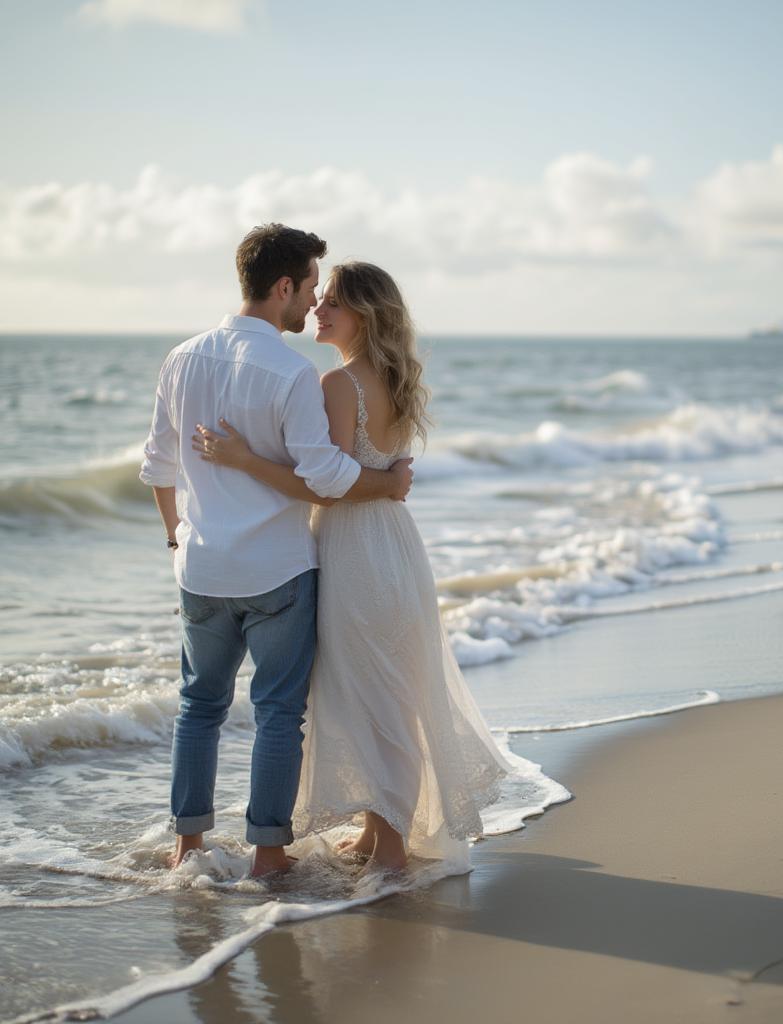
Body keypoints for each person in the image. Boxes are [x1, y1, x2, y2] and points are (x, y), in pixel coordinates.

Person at [192, 260, 509, 873]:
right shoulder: (394, 378)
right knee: (384, 695)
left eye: (333, 302)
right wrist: (389, 482)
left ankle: (389, 849)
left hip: (355, 549)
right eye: (320, 297)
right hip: (391, 544)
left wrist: (240, 458)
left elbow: (328, 485)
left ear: (364, 314)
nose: (318, 309)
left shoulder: (340, 385)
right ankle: (374, 834)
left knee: (377, 699)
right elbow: (364, 475)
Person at [140, 226, 414, 878]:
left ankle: (188, 848)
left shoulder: (180, 359)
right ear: (283, 286)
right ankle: (268, 856)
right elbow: (327, 476)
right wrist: (388, 483)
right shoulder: (293, 372)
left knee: (198, 707)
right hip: (280, 571)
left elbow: (157, 467)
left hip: (202, 568)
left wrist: (177, 539)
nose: (313, 302)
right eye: (311, 288)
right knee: (277, 715)